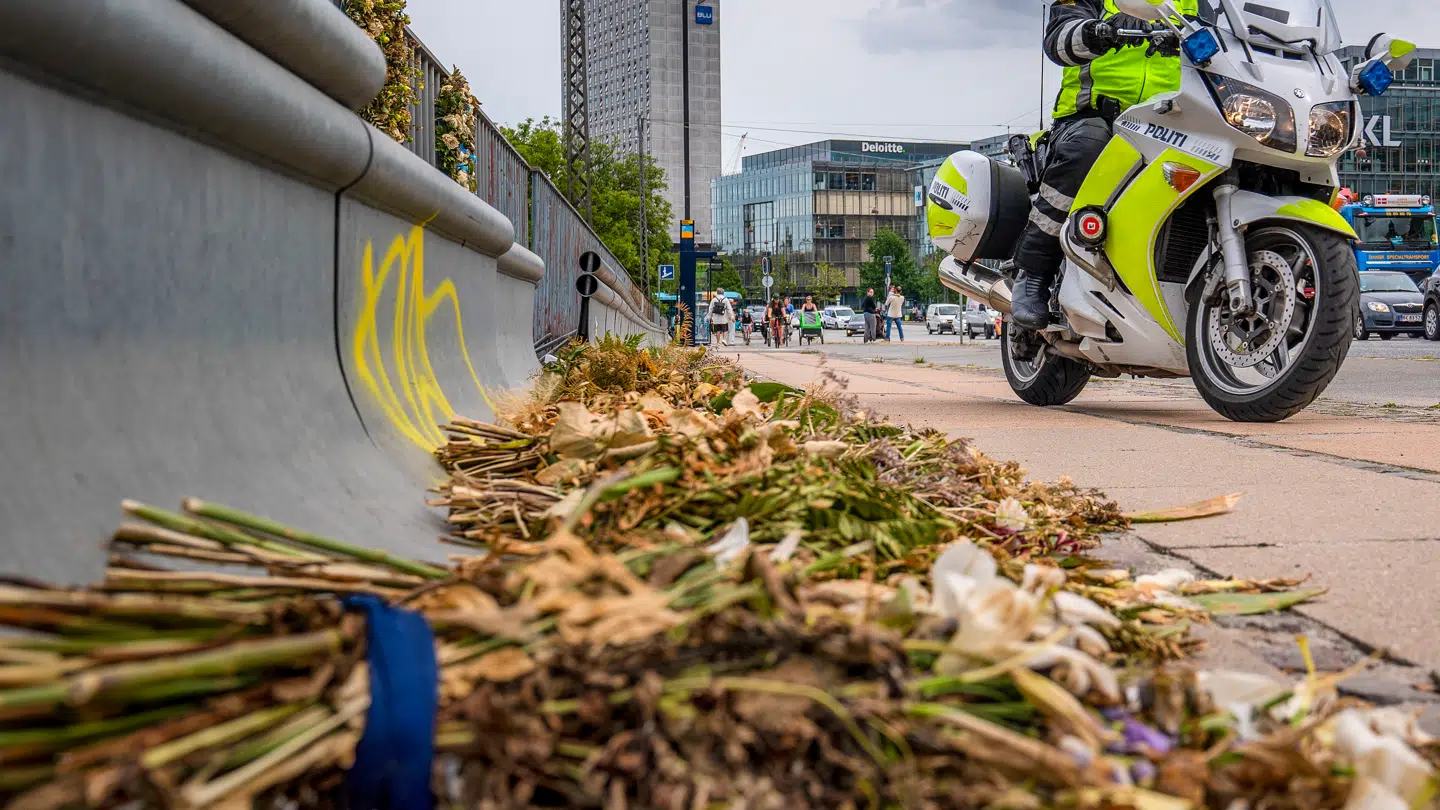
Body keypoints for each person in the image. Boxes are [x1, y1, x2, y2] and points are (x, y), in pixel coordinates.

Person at [1009, 0, 1190, 331]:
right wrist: (1098, 32)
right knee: (1087, 151)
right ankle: (1033, 271)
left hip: (1175, 120)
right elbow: (1059, 38)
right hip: (1097, 115)